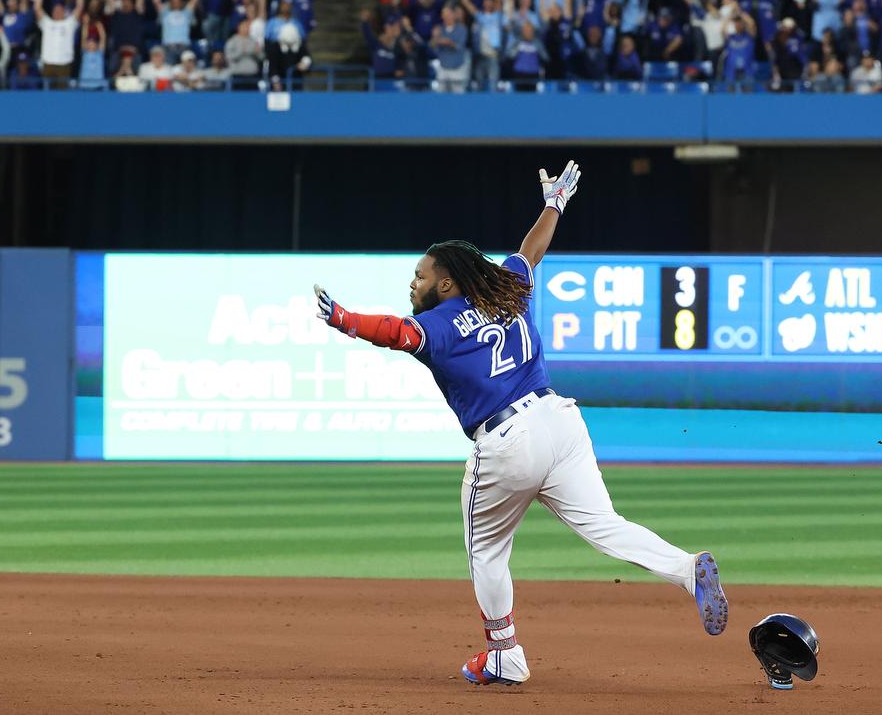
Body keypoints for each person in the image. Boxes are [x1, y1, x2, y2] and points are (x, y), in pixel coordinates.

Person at [312, 162, 728, 687]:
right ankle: (688, 570)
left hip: (508, 438)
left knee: (485, 549)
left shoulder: (437, 324)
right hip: (560, 420)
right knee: (605, 525)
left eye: (420, 275)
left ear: (445, 283)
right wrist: (554, 204)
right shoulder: (506, 287)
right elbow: (531, 250)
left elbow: (394, 332)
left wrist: (344, 320)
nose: (412, 281)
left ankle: (506, 655)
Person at [34, 0, 84, 89]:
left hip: (64, 63)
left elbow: (79, 7)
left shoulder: (69, 23)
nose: (57, 12)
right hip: (48, 63)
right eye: (55, 10)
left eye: (60, 10)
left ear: (64, 13)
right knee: (47, 94)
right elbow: (37, 8)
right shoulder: (47, 23)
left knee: (62, 94)